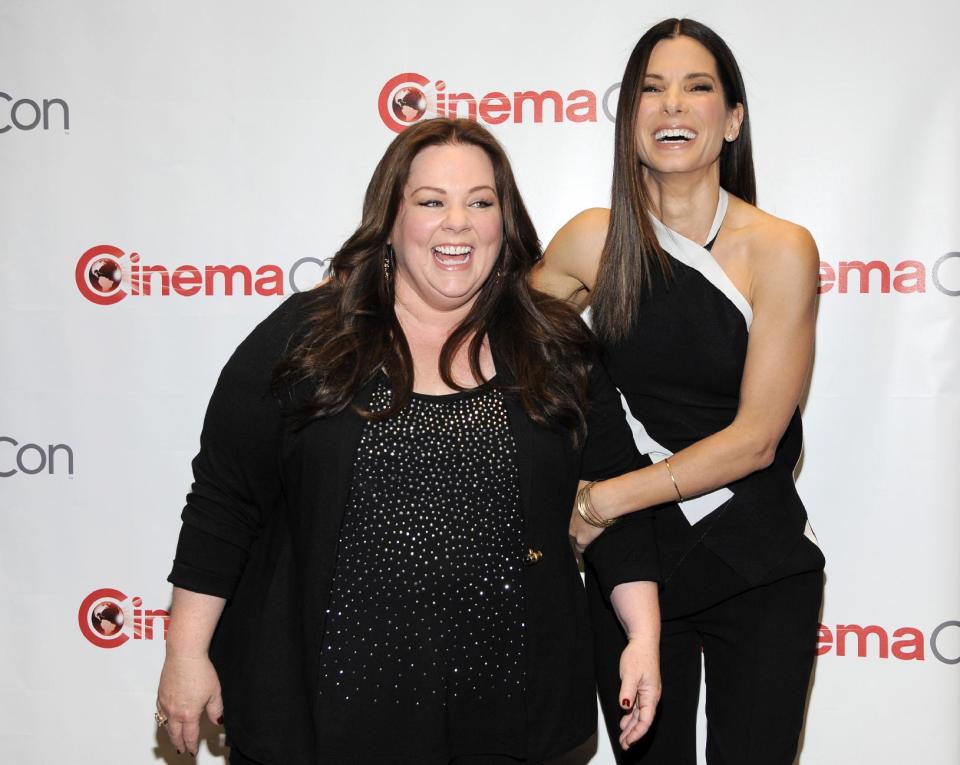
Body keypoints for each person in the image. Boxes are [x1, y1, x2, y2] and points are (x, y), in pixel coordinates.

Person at [155, 117, 662, 765]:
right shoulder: (306, 340)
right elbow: (224, 503)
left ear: (504, 224)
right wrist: (186, 652)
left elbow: (617, 495)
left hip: (510, 717)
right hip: (322, 718)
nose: (458, 222)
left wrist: (643, 635)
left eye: (481, 202)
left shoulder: (557, 347)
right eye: (431, 202)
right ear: (389, 220)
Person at [532, 18, 825, 765]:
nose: (672, 107)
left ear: (731, 120)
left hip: (755, 559)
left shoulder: (780, 249)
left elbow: (758, 439)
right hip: (635, 574)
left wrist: (600, 501)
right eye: (651, 90)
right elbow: (501, 353)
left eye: (697, 88)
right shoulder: (591, 241)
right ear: (629, 119)